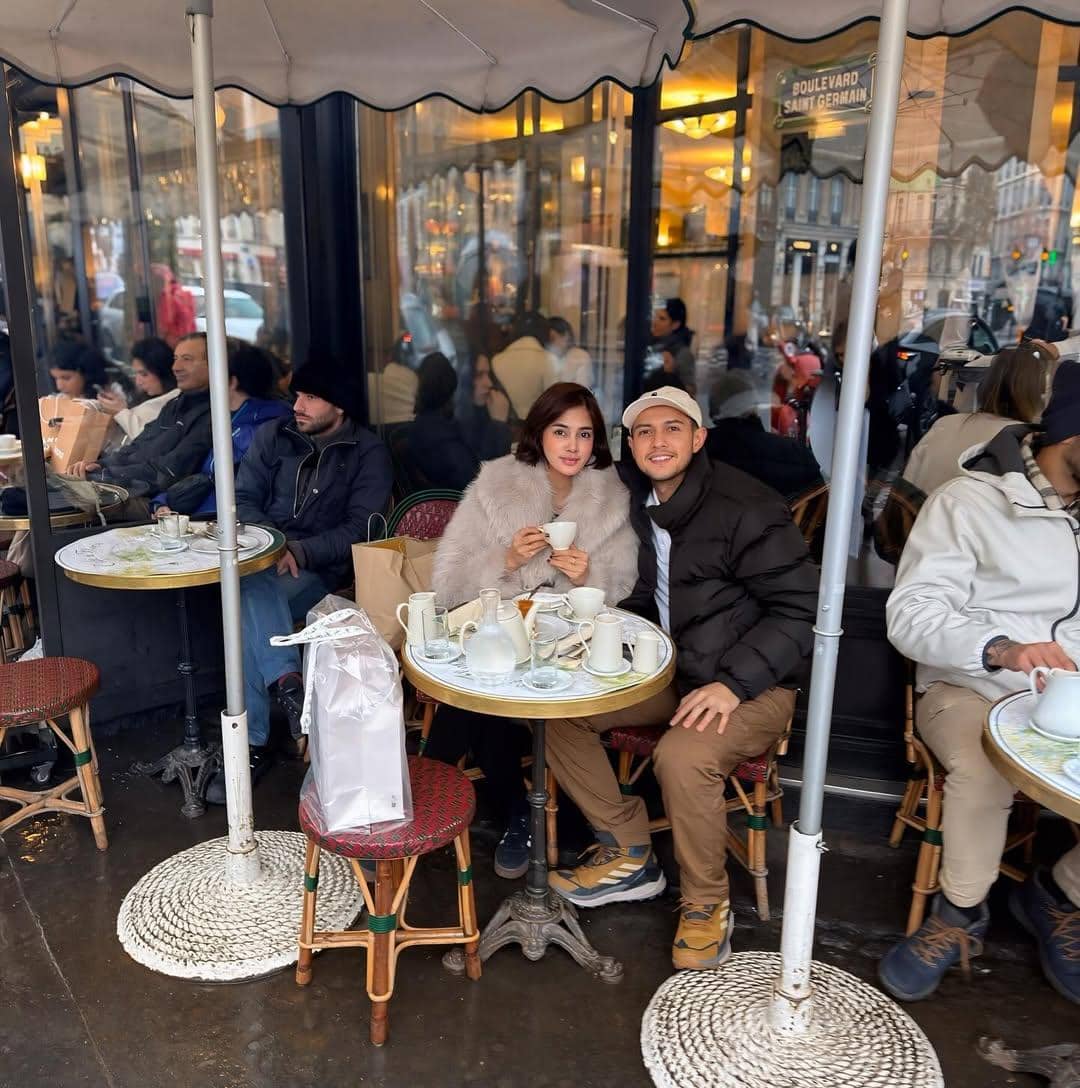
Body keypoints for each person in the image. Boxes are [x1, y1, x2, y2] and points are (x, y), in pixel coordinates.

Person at [544, 386, 818, 971]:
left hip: (754, 685)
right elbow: (644, 593)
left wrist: (734, 683)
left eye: (673, 428)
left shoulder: (746, 507)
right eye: (644, 431)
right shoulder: (636, 504)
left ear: (698, 438)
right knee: (560, 711)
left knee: (682, 755)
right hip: (672, 668)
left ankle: (705, 903)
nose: (658, 441)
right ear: (632, 446)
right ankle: (629, 852)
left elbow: (800, 610)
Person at [880, 361, 1080, 1006]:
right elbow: (910, 616)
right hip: (968, 685)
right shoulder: (969, 502)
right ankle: (960, 912)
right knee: (984, 766)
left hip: (1068, 699)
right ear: (1068, 436)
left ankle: (1061, 892)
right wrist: (1002, 649)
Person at [430, 382, 639, 878]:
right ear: (539, 433)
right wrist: (505, 560)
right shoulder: (495, 485)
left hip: (571, 645)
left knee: (483, 699)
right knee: (481, 693)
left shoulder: (612, 497)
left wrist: (588, 577)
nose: (573, 446)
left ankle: (428, 801)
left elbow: (625, 587)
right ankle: (515, 811)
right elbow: (447, 584)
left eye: (584, 434)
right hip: (502, 629)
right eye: (560, 431)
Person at [208, 356, 393, 803]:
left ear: (340, 405)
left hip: (322, 571)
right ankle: (288, 685)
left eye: (311, 397)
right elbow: (243, 497)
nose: (298, 406)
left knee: (240, 603)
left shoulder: (366, 452)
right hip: (265, 557)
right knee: (248, 588)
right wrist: (273, 545)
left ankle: (250, 745)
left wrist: (300, 551)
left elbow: (360, 528)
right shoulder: (275, 435)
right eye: (297, 395)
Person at [900, 341, 1058, 498]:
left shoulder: (945, 422)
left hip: (915, 510)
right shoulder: (1023, 440)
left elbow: (907, 480)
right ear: (1037, 393)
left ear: (986, 383)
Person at [68, 333, 213, 503]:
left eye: (187, 359)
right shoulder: (175, 404)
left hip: (152, 499)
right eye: (176, 359)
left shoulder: (212, 414)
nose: (176, 367)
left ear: (214, 363)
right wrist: (101, 465)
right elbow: (140, 445)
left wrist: (106, 475)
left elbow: (167, 472)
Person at [154, 344, 292, 515]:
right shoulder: (228, 418)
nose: (209, 382)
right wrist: (162, 502)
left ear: (231, 381)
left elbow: (228, 491)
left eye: (214, 374)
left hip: (218, 520)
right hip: (192, 512)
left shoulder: (261, 429)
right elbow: (198, 476)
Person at [706, 370, 823, 500]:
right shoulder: (796, 452)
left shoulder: (701, 451)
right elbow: (819, 496)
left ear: (713, 412)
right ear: (755, 408)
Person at [405, 352, 508, 491]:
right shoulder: (434, 432)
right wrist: (498, 424)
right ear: (456, 381)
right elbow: (477, 484)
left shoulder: (455, 420)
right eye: (478, 375)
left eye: (488, 375)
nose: (489, 384)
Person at [96, 336, 179, 443]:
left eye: (144, 374)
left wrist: (121, 412)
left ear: (162, 371)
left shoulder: (176, 402)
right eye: (136, 374)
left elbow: (150, 441)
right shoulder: (144, 399)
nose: (138, 382)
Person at [490, 311, 559, 421]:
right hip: (536, 426)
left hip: (504, 425)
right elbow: (554, 402)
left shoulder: (496, 359)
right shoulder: (548, 360)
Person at [645, 299, 696, 395]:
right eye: (655, 317)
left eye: (662, 319)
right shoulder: (648, 344)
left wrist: (670, 374)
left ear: (675, 325)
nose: (655, 322)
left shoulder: (682, 353)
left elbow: (690, 392)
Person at [548, 316, 592, 387]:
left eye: (553, 338)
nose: (550, 343)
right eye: (547, 340)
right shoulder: (544, 357)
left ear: (566, 336)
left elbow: (582, 388)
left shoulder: (581, 356)